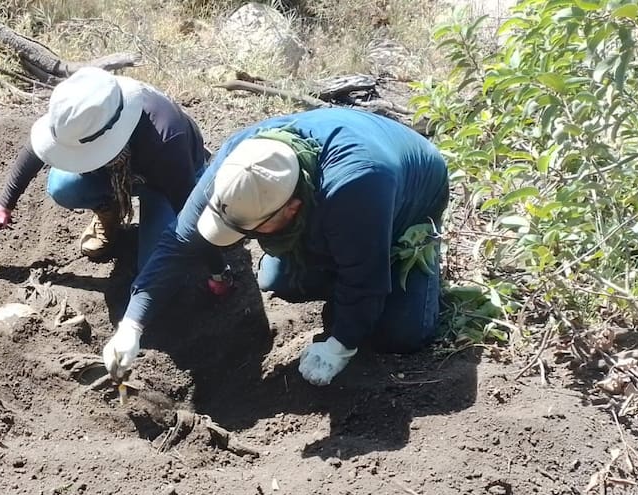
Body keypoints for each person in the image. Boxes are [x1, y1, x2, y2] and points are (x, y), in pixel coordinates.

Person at [101, 107, 449, 387]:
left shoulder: (355, 188)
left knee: (402, 333)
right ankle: (340, 264)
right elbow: (178, 242)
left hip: (411, 198)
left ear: (292, 209)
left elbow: (365, 280)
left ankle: (403, 270)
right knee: (277, 280)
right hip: (345, 192)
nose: (241, 237)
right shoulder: (241, 165)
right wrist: (131, 324)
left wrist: (341, 345)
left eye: (249, 229)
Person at [0, 67, 222, 282]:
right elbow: (36, 150)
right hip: (124, 173)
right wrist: (4, 203)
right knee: (63, 186)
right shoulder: (84, 107)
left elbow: (189, 209)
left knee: (154, 270)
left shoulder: (165, 138)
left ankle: (154, 222)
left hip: (168, 183)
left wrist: (218, 271)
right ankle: (109, 212)